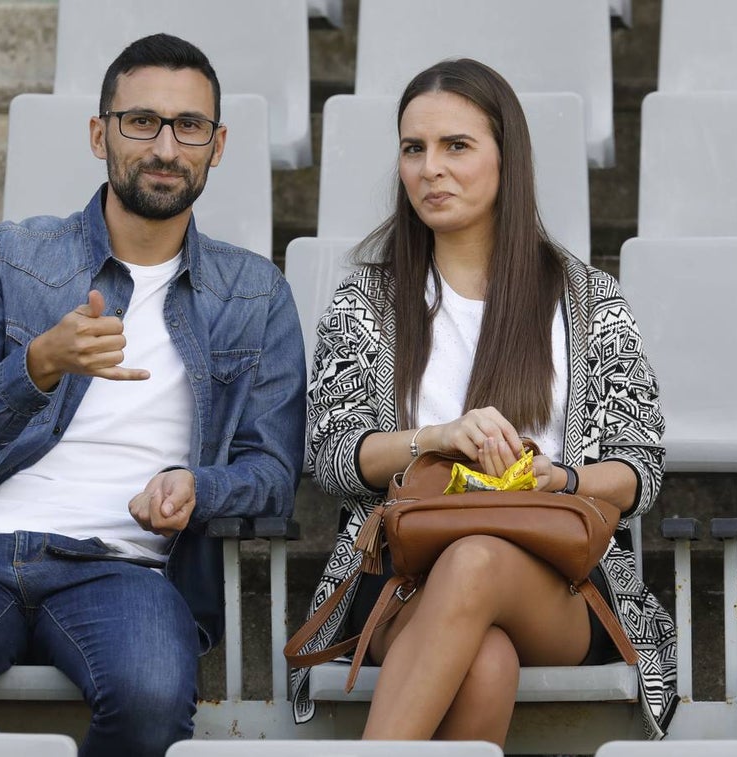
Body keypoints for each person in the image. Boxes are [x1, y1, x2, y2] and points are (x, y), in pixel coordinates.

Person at [0, 33, 306, 757]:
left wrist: (198, 485)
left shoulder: (255, 293)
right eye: (141, 121)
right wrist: (35, 366)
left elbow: (274, 473)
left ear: (217, 147)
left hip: (120, 561)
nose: (164, 146)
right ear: (101, 133)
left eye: (189, 127)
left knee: (153, 698)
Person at [289, 58, 677, 743]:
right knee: (486, 664)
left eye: (456, 146)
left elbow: (638, 471)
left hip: (558, 581)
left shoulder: (592, 303)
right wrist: (432, 438)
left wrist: (560, 478)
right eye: (414, 148)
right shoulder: (365, 303)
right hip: (403, 573)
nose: (430, 168)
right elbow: (333, 456)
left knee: (476, 558)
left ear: (507, 158)